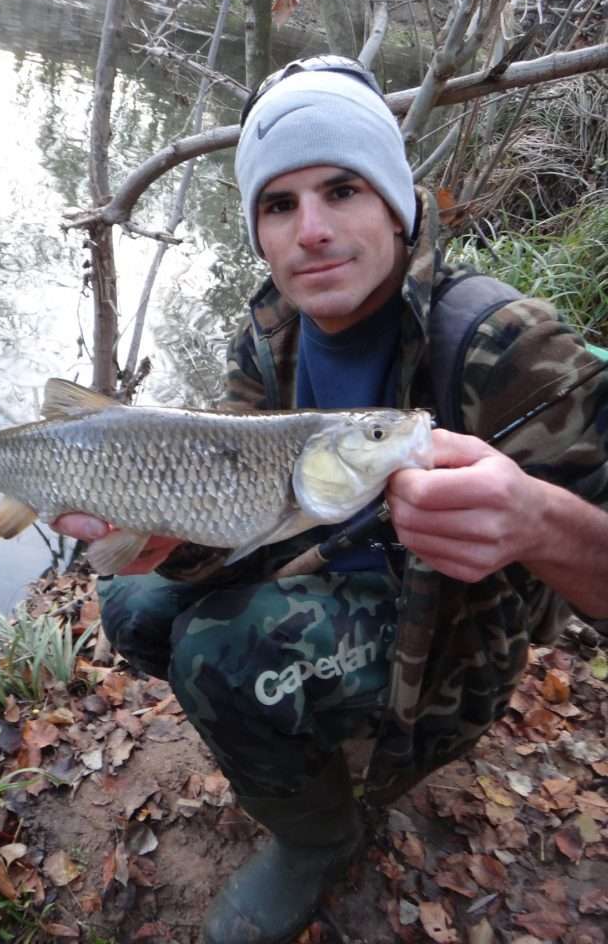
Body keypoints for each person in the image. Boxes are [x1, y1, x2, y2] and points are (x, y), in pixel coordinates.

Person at [52, 56, 608, 944]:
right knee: (131, 602)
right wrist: (161, 537)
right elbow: (237, 517)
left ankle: (322, 837)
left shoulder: (511, 346)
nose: (311, 230)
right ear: (259, 231)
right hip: (320, 560)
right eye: (280, 204)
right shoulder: (267, 337)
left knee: (221, 654)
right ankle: (307, 756)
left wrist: (542, 521)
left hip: (454, 643)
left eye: (342, 189)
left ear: (394, 202)